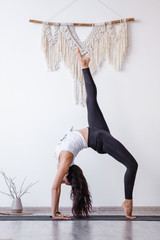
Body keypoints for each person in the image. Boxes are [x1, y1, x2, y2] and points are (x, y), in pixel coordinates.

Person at [51, 47, 138, 220]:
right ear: (67, 173)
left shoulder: (63, 160)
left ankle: (84, 66)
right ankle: (127, 201)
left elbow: (55, 186)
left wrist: (54, 214)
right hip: (98, 139)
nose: (62, 182)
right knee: (132, 165)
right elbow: (56, 186)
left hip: (95, 132)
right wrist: (55, 213)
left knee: (91, 99)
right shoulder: (65, 160)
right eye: (66, 182)